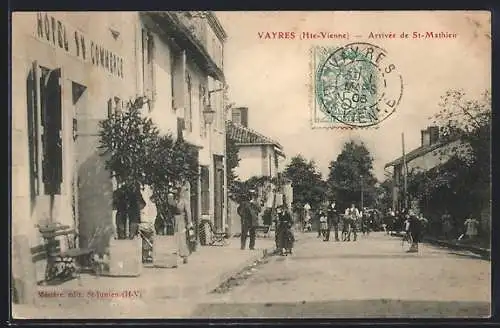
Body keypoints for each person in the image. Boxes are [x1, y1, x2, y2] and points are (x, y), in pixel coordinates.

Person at [167, 181, 193, 264]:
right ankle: (175, 254)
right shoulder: (174, 200)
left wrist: (189, 223)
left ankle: (184, 255)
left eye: (180, 191)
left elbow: (188, 212)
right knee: (174, 237)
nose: (179, 192)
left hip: (181, 220)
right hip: (174, 220)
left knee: (181, 238)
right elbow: (171, 205)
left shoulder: (184, 201)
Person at [138, 184, 157, 262]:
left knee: (148, 238)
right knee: (148, 238)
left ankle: (146, 254)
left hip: (146, 224)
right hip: (146, 224)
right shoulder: (151, 204)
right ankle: (146, 254)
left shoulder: (151, 205)